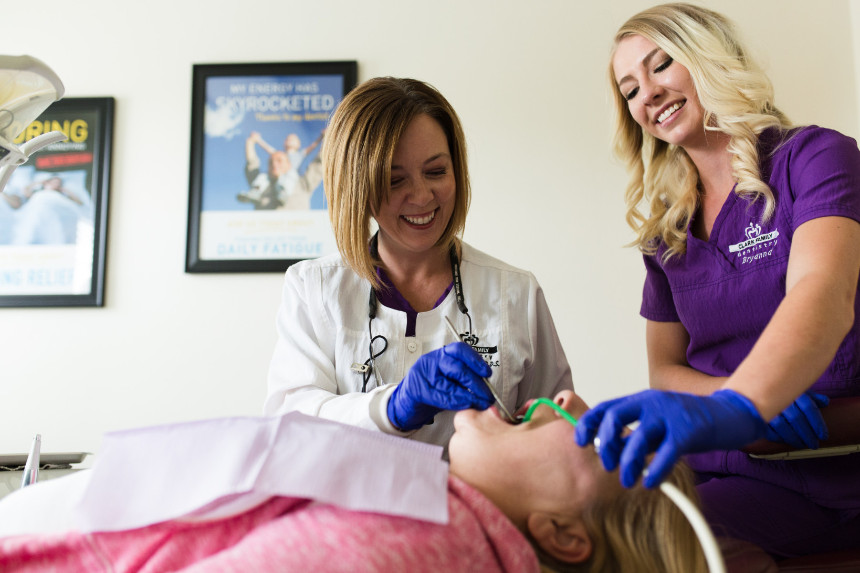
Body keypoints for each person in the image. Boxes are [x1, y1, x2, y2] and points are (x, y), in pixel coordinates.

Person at [575, 2, 860, 559]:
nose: (648, 94)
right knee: (584, 528)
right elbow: (665, 369)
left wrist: (747, 404)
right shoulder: (668, 229)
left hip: (825, 476)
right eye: (629, 88)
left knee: (648, 551)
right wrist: (729, 406)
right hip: (714, 462)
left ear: (711, 59)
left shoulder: (817, 158)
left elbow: (823, 292)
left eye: (661, 65)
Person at [0, 390, 708, 572]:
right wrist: (386, 406)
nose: (566, 400)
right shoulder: (443, 526)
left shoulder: (415, 537)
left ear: (562, 533)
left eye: (589, 426)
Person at [264, 77, 574, 449]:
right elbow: (290, 427)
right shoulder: (314, 287)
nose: (422, 196)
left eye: (436, 172)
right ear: (357, 187)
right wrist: (391, 408)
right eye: (395, 180)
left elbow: (556, 430)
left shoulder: (515, 292)